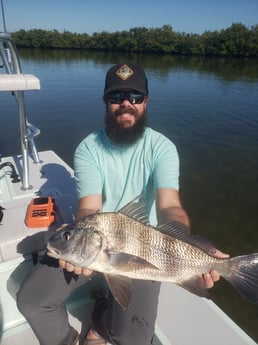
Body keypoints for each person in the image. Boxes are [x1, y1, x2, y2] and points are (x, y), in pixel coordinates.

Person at [17, 63, 228, 345]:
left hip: (148, 247)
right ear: (106, 102)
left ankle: (101, 322)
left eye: (135, 97)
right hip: (97, 241)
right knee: (33, 300)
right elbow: (90, 209)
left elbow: (170, 206)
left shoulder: (162, 148)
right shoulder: (89, 148)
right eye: (116, 97)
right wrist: (80, 246)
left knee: (134, 338)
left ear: (146, 102)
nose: (126, 104)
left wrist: (192, 250)